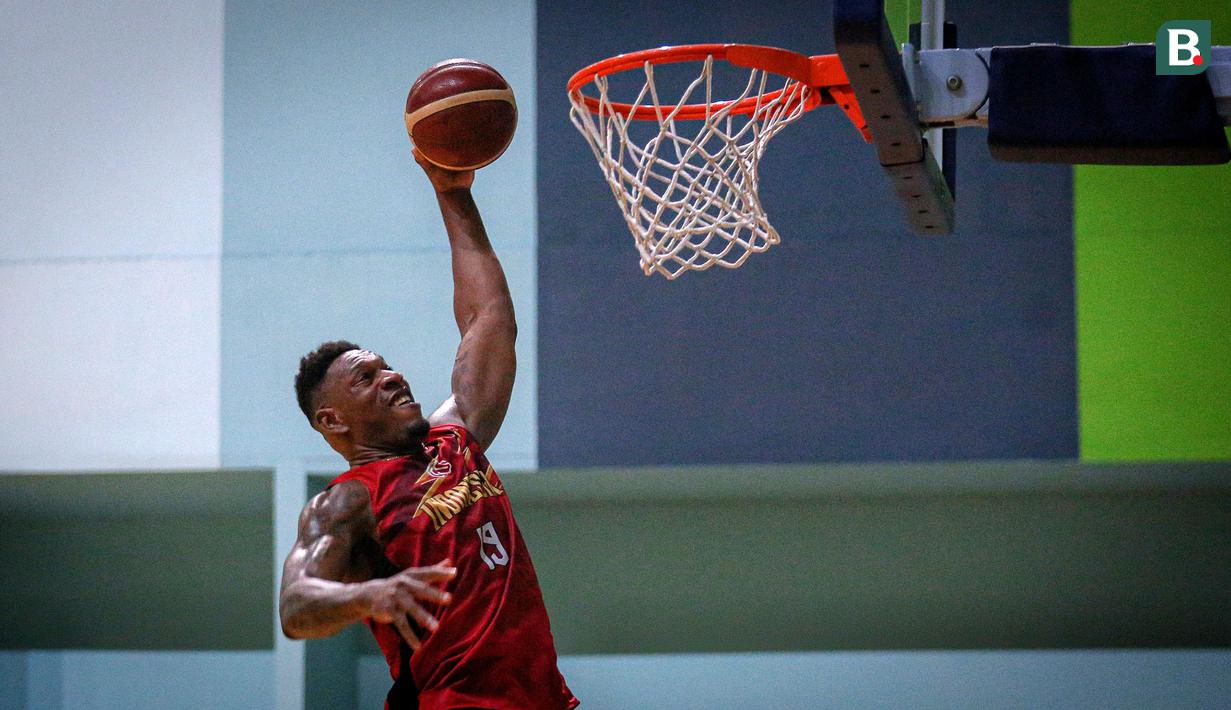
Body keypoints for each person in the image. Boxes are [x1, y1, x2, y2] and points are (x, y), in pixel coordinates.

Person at [279, 150, 578, 710]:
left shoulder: (454, 435)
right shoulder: (345, 503)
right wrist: (370, 593)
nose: (391, 375)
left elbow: (488, 317)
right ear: (332, 420)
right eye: (366, 378)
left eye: (386, 365)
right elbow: (296, 607)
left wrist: (454, 191)